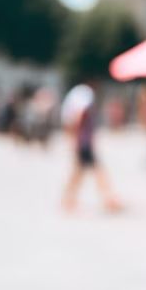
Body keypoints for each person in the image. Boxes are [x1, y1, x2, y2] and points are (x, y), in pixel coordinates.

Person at [61, 82, 122, 213]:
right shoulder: (85, 101)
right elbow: (78, 116)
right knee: (97, 171)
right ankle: (109, 199)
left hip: (82, 143)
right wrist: (78, 139)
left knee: (79, 172)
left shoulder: (79, 97)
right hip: (84, 144)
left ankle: (68, 199)